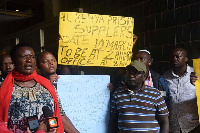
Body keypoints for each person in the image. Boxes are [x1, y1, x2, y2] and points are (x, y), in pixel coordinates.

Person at [0, 43, 64, 132]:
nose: (29, 60)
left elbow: (60, 115)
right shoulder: (3, 88)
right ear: (14, 60)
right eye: (24, 57)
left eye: (32, 57)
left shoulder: (47, 85)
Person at [109, 60, 169, 133]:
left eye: (136, 73)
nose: (131, 76)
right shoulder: (118, 94)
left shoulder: (155, 94)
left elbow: (164, 121)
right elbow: (113, 120)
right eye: (129, 72)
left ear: (144, 76)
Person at [37, 51, 79, 133]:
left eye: (53, 60)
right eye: (46, 62)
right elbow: (61, 116)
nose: (51, 63)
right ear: (38, 66)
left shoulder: (63, 81)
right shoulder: (36, 85)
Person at [163, 48, 199, 133]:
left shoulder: (196, 74)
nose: (175, 59)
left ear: (186, 59)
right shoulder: (165, 77)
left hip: (193, 126)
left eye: (178, 56)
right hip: (173, 127)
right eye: (173, 57)